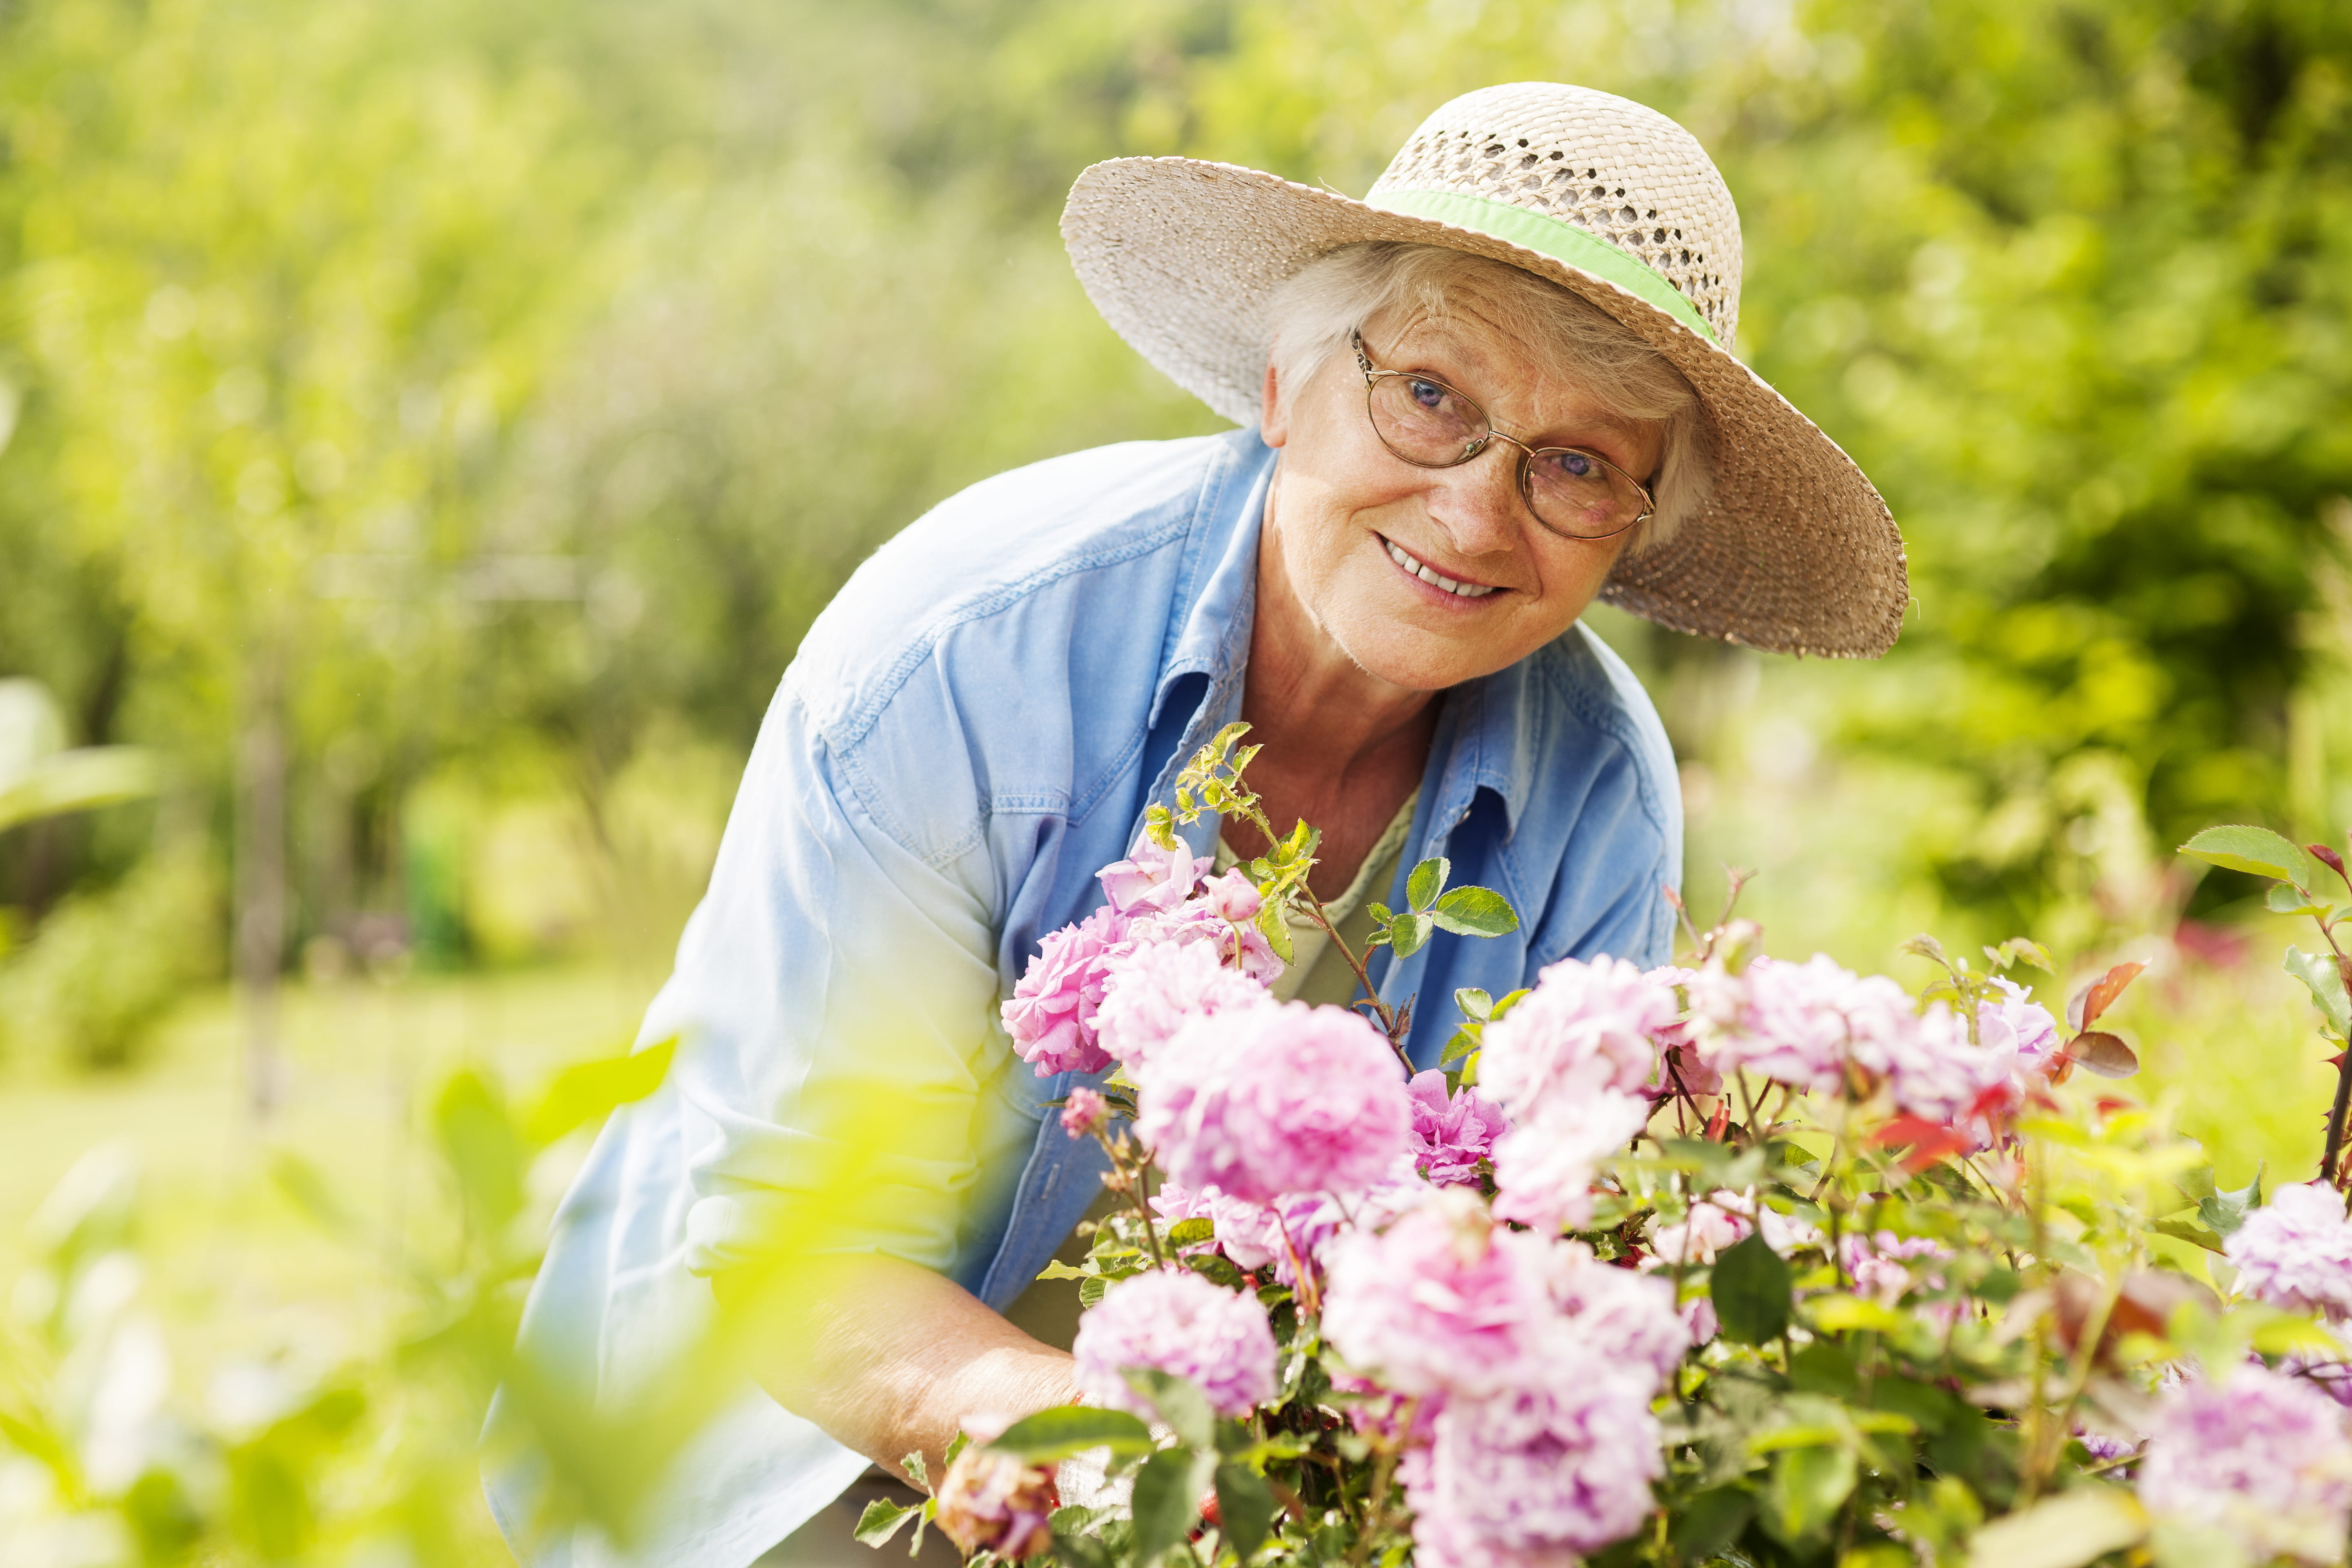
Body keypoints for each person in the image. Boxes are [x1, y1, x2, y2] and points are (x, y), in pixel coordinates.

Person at [484, 81, 1905, 1568]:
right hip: (783, 1447)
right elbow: (794, 1260)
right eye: (1431, 395)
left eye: (1577, 464)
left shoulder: (1600, 794)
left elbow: (1534, 1273)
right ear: (1290, 385)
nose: (1480, 515)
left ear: (1632, 529)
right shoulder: (970, 660)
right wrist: (1145, 1475)